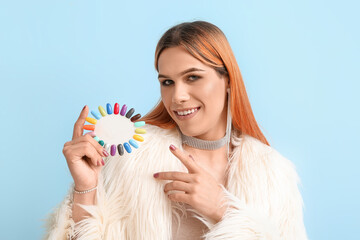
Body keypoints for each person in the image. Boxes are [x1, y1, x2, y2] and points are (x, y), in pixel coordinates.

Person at [42, 21, 308, 240]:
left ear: (227, 80)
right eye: (167, 82)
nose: (177, 96)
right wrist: (86, 188)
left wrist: (225, 210)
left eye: (193, 77)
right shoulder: (130, 159)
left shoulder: (274, 176)